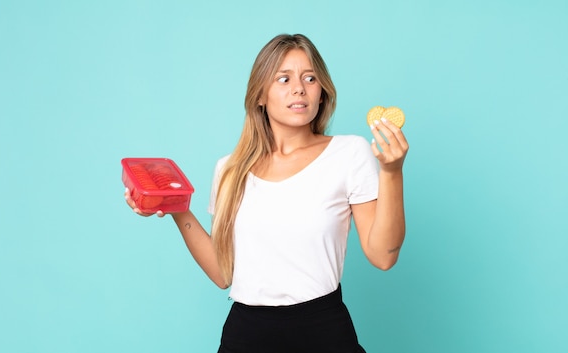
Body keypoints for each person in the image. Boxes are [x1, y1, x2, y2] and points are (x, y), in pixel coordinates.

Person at [125, 33, 408, 353]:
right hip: (246, 335)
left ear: (322, 92)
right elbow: (223, 273)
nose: (299, 87)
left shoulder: (349, 153)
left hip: (323, 331)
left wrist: (392, 172)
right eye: (283, 78)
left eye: (310, 78)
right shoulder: (230, 169)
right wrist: (178, 208)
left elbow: (384, 257)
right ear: (260, 94)